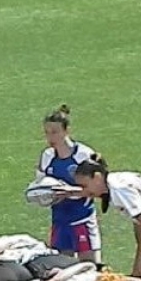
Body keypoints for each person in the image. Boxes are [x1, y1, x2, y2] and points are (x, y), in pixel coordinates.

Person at [36, 105, 101, 263]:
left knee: (91, 267)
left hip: (82, 219)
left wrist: (69, 192)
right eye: (47, 132)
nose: (50, 137)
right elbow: (40, 185)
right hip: (59, 221)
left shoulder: (83, 155)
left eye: (55, 132)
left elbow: (99, 189)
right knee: (62, 266)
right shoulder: (47, 156)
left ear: (66, 131)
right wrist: (43, 195)